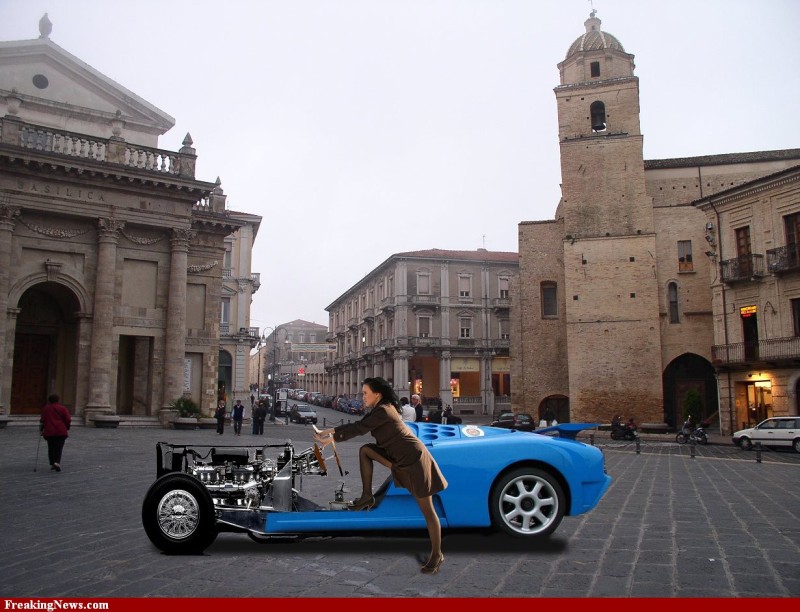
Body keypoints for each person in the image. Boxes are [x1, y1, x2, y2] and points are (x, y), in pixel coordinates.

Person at [314, 377, 447, 575]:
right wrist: (326, 431)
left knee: (427, 510)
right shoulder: (380, 409)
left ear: (377, 394)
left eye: (365, 393)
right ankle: (367, 496)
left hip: (414, 461)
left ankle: (437, 554)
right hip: (398, 457)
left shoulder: (384, 411)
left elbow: (359, 429)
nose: (363, 397)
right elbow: (359, 424)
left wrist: (330, 439)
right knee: (366, 450)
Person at [40, 394, 71, 472]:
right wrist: (67, 427)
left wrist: (41, 429)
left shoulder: (46, 408)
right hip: (60, 431)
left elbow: (42, 420)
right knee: (58, 448)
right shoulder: (62, 408)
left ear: (49, 400)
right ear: (58, 400)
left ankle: (52, 462)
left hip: (49, 431)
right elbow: (68, 419)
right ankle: (57, 462)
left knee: (51, 447)